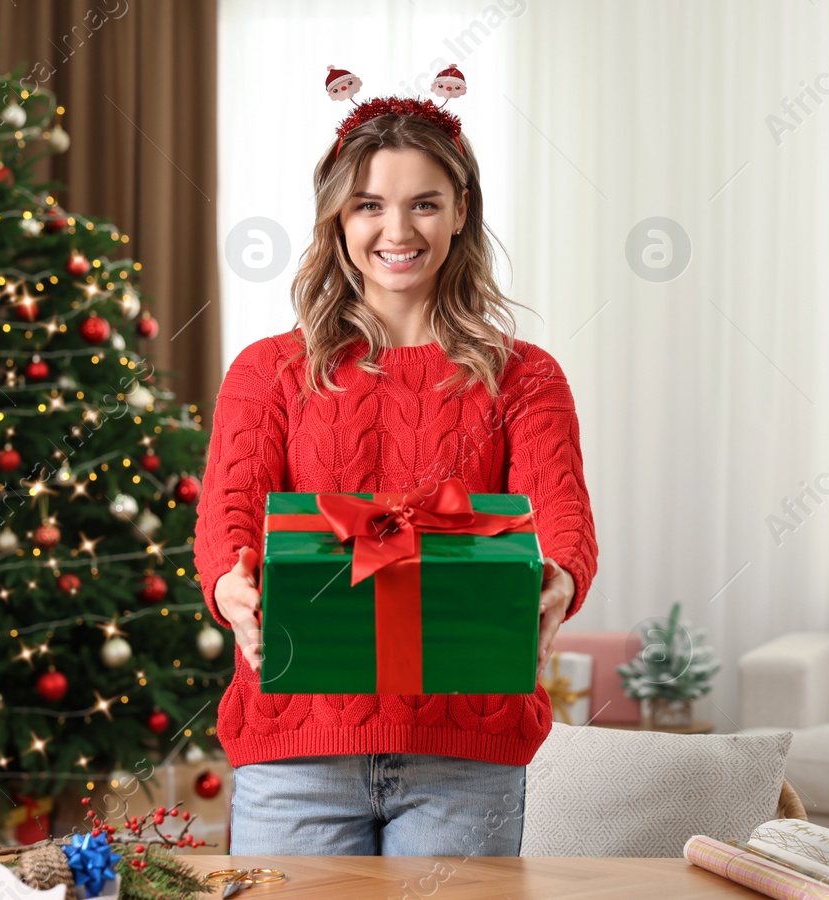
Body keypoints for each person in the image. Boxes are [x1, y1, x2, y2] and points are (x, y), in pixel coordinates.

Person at [193, 65, 598, 857]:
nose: (396, 231)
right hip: (298, 746)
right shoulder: (267, 371)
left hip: (466, 751)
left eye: (424, 204)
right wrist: (228, 585)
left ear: (460, 213)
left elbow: (559, 513)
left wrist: (562, 578)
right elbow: (230, 515)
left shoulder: (526, 375)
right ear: (337, 219)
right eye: (369, 205)